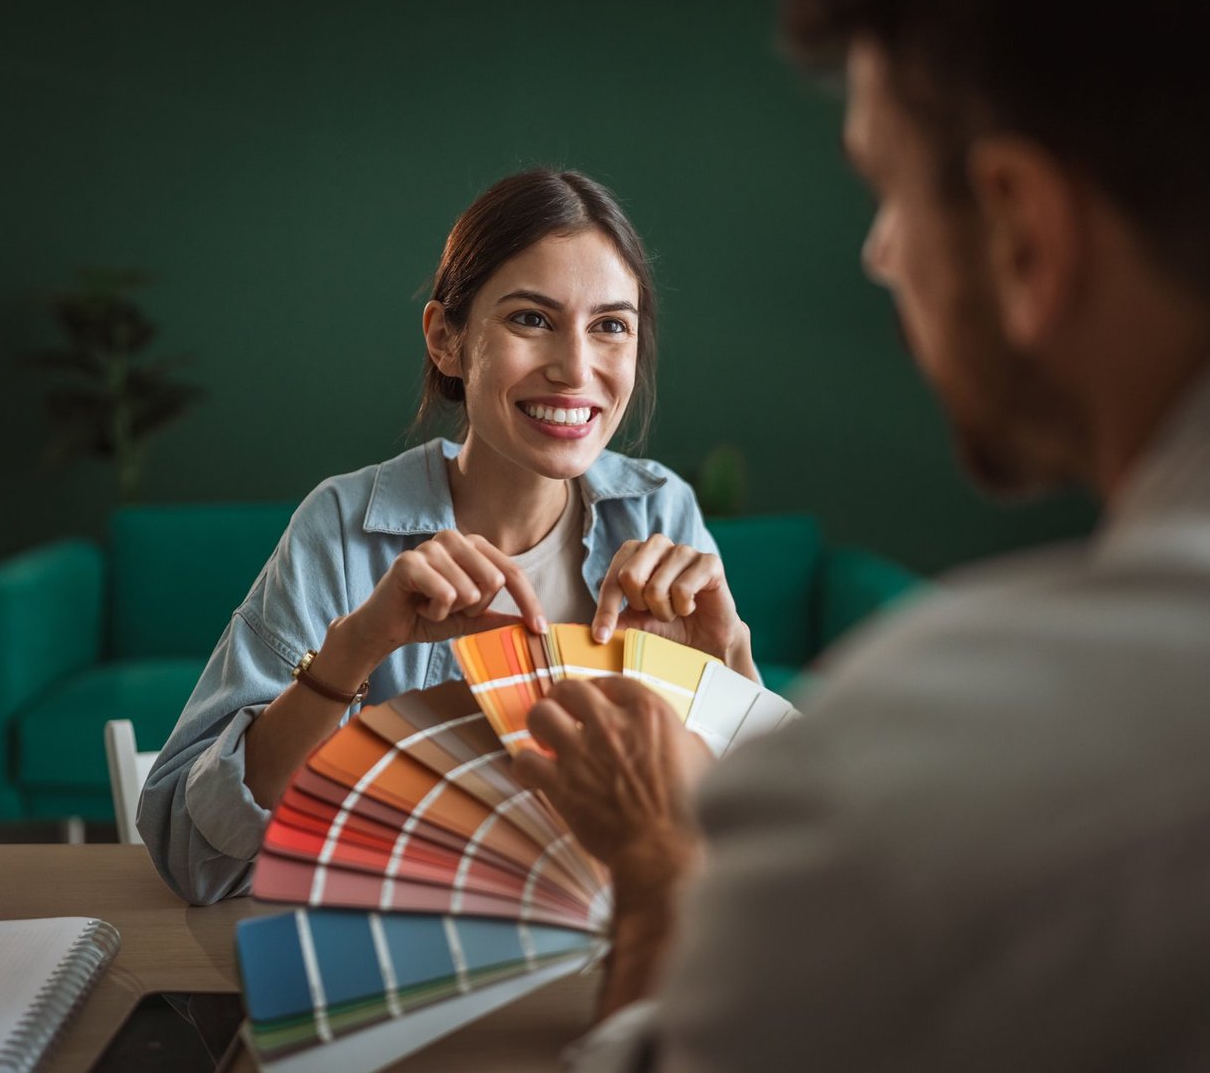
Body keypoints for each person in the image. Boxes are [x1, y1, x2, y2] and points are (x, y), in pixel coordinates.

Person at [513, 0, 1210, 1068]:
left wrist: (657, 878)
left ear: (1020, 231)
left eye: (886, 191)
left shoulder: (894, 806)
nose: (878, 255)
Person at [139, 169, 759, 906]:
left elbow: (763, 843)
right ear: (446, 340)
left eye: (610, 326)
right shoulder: (342, 529)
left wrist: (727, 664)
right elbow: (191, 854)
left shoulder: (660, 511)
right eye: (531, 319)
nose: (575, 368)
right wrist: (355, 651)